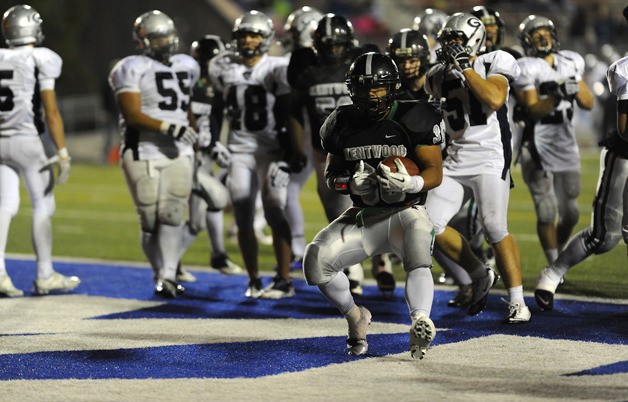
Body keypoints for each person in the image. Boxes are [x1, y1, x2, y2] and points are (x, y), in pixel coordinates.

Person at [303, 52, 444, 358]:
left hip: (406, 211)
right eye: (365, 88)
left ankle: (420, 319)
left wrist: (413, 184)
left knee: (420, 239)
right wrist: (348, 183)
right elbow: (332, 175)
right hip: (364, 215)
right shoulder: (341, 120)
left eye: (378, 88)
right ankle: (356, 317)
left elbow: (435, 170)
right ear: (353, 89)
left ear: (392, 87)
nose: (372, 95)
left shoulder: (413, 115)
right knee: (315, 261)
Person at [424, 12, 530, 323]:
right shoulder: (435, 74)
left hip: (489, 155)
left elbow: (495, 98)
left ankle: (517, 301)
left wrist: (467, 67)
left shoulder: (496, 58)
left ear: (474, 40)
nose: (452, 45)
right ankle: (478, 273)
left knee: (495, 226)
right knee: (426, 224)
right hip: (455, 159)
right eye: (448, 40)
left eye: (458, 39)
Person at [287, 13, 394, 296]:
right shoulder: (303, 63)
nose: (334, 50)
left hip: (362, 140)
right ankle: (355, 269)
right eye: (328, 44)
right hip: (328, 146)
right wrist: (297, 146)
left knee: (376, 202)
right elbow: (294, 110)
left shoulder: (362, 58)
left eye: (338, 44)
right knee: (339, 209)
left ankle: (381, 260)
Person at [534, 5, 628, 311]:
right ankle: (552, 272)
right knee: (605, 237)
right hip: (625, 159)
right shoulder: (626, 68)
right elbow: (626, 130)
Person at [209, 10, 305, 299]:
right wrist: (215, 141)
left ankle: (284, 278)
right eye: (243, 35)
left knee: (275, 209)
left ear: (266, 39)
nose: (248, 40)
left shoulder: (277, 67)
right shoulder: (225, 68)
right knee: (242, 212)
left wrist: (292, 151)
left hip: (272, 149)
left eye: (254, 35)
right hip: (239, 150)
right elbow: (216, 109)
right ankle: (253, 279)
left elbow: (291, 111)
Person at [109, 10, 200, 298]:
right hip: (142, 149)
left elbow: (187, 106)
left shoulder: (187, 64)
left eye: (167, 36)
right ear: (142, 41)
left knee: (172, 213)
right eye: (158, 38)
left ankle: (168, 275)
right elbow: (132, 114)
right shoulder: (130, 67)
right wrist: (167, 126)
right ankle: (159, 271)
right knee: (149, 220)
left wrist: (196, 136)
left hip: (178, 150)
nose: (165, 42)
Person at [0, 4, 80, 297]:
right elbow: (51, 111)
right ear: (32, 28)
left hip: (0, 140)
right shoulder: (40, 58)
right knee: (43, 205)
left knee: (4, 205)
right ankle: (45, 274)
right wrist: (62, 151)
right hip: (28, 141)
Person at [514, 15, 594, 265]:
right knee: (546, 209)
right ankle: (554, 262)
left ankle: (557, 251)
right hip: (535, 144)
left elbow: (588, 103)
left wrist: (573, 85)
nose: (543, 38)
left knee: (570, 213)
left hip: (565, 143)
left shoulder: (570, 61)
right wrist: (558, 92)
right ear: (527, 41)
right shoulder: (524, 66)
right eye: (536, 35)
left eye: (546, 33)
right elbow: (533, 109)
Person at [176, 34, 243, 279]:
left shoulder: (217, 86)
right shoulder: (188, 84)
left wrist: (215, 145)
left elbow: (214, 121)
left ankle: (214, 256)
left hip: (202, 156)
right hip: (184, 156)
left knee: (199, 216)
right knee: (195, 216)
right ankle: (169, 266)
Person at [281, 6, 322, 269]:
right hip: (310, 132)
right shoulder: (309, 59)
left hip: (317, 134)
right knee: (288, 191)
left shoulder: (306, 62)